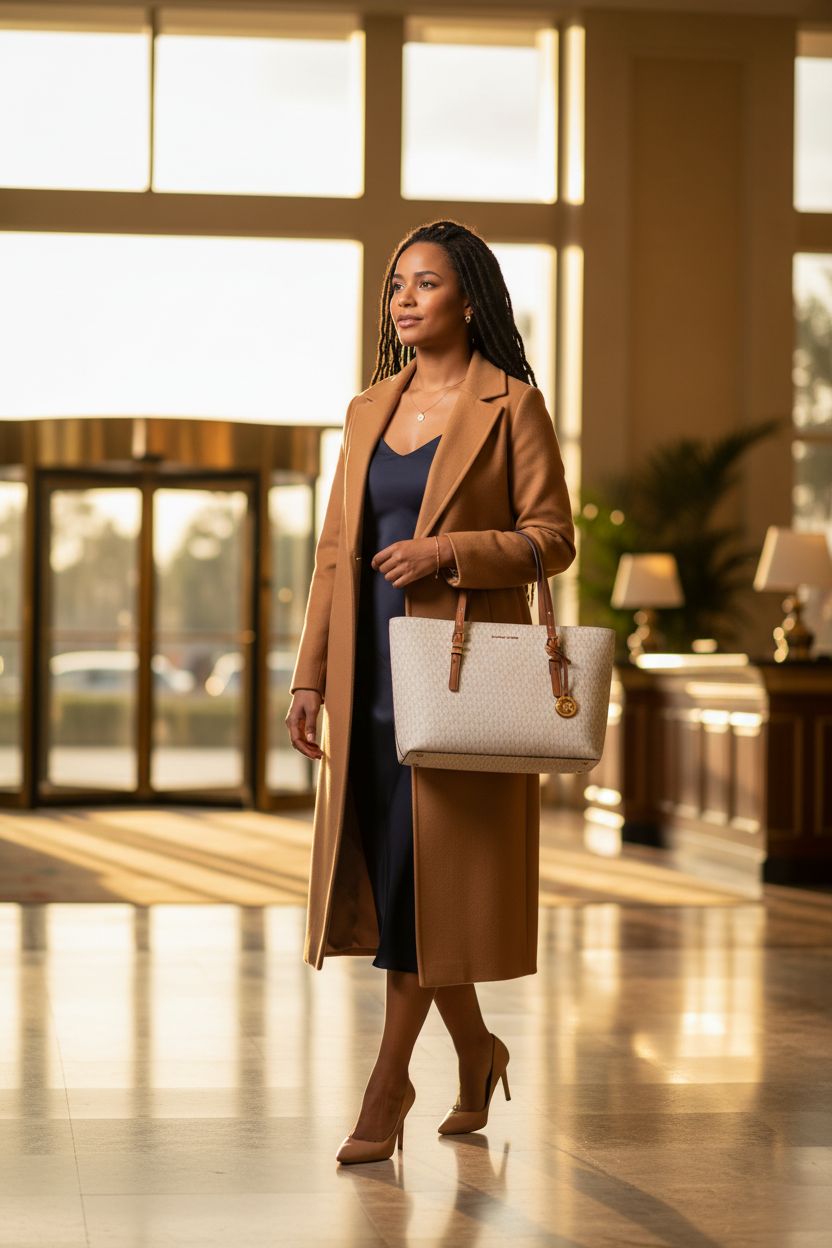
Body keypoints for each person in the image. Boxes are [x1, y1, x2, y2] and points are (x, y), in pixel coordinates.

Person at [285, 219, 576, 1164]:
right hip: (366, 676)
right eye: (396, 286)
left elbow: (553, 538)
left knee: (421, 880)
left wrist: (448, 551)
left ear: (470, 298)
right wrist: (308, 673)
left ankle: (387, 1087)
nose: (404, 299)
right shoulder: (367, 409)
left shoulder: (513, 406)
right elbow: (335, 554)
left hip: (453, 678)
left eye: (426, 284)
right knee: (414, 883)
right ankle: (479, 1050)